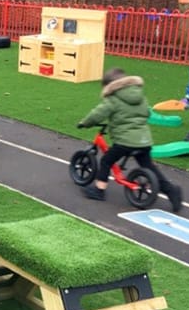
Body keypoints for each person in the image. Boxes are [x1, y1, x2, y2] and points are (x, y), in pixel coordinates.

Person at [77, 67, 182, 211]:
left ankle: (99, 190)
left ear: (110, 86)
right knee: (148, 166)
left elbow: (98, 114)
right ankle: (172, 191)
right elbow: (146, 113)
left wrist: (85, 123)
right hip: (144, 140)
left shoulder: (112, 99)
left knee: (106, 160)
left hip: (125, 142)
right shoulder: (140, 96)